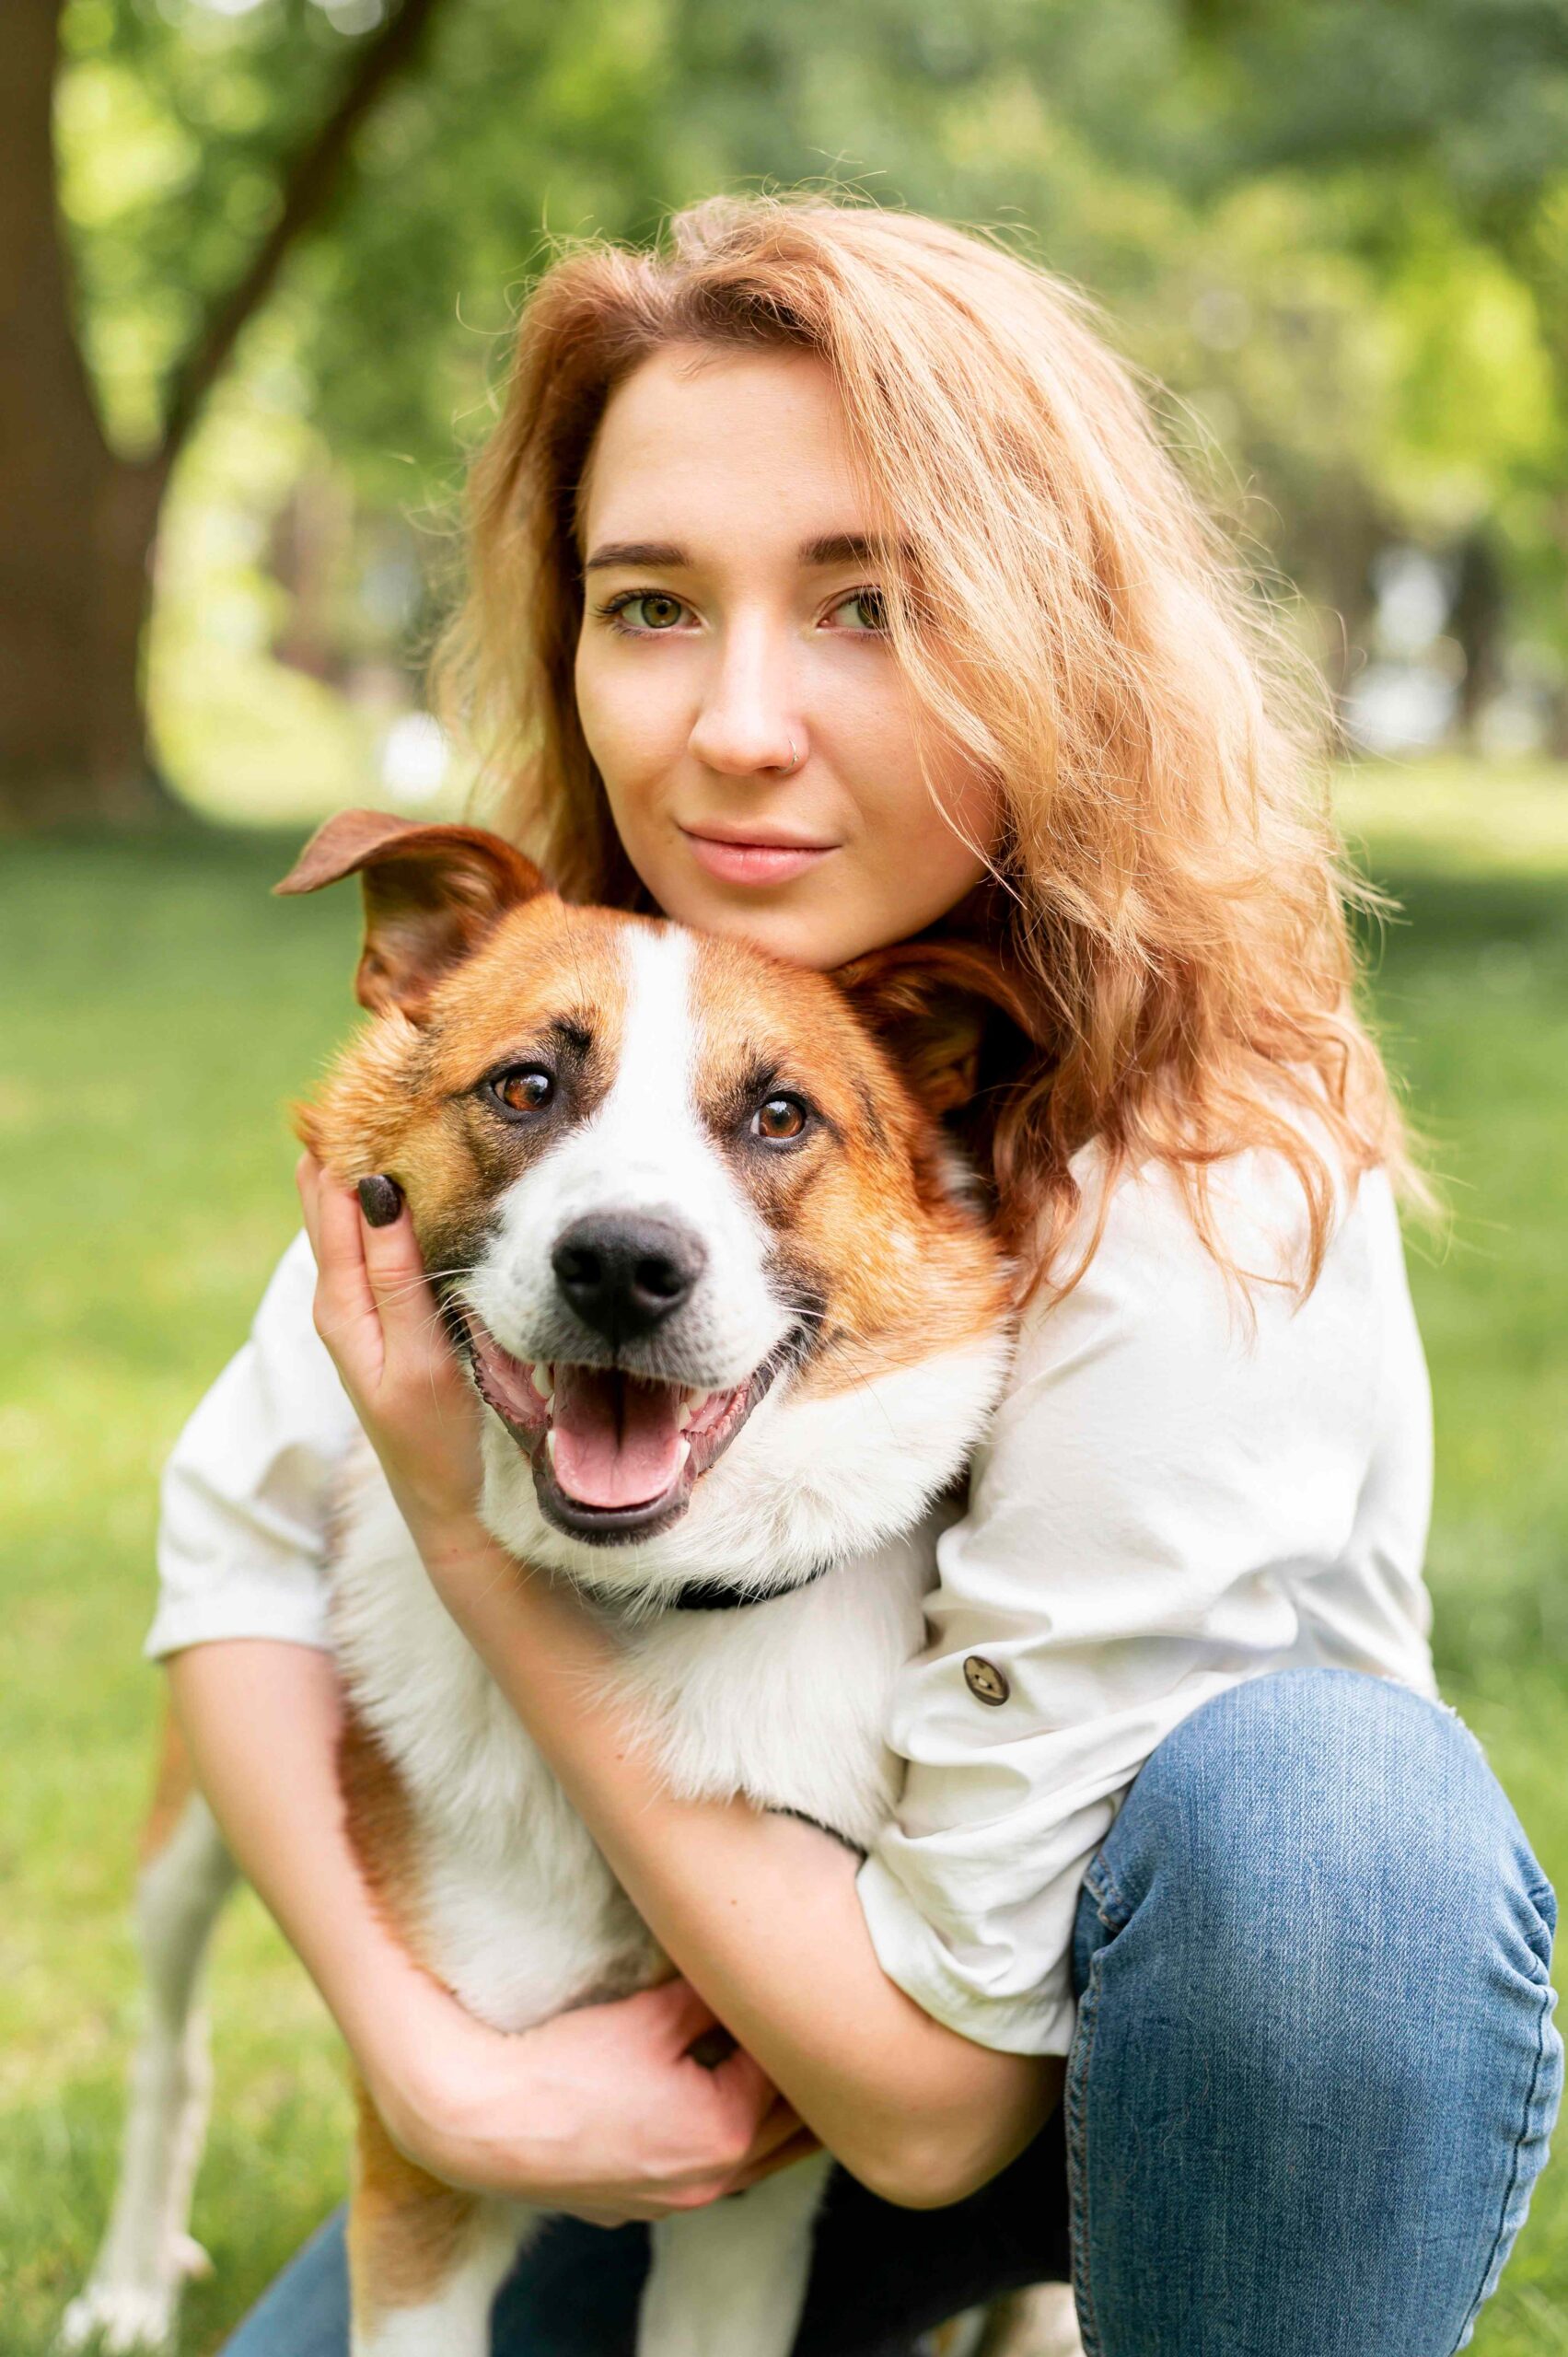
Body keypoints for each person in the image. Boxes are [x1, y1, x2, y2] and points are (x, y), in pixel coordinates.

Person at [149, 195, 1560, 2356]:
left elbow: (916, 2102)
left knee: (1328, 1820)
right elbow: (232, 1548)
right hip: (671, 2080)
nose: (734, 723)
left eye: (865, 605)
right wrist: (437, 2065)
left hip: (1134, 2063)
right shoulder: (516, 1074)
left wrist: (468, 1520)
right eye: (649, 603)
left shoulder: (1211, 1186)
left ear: (1042, 630)